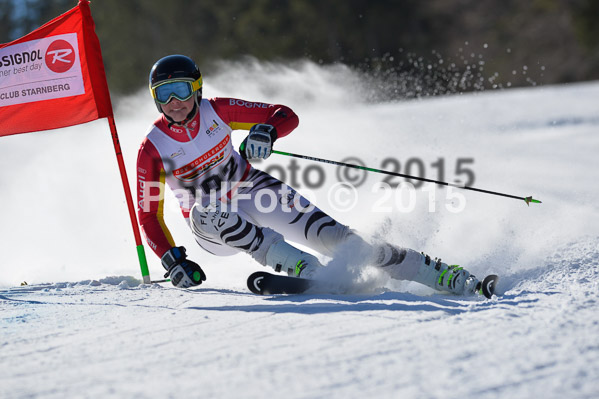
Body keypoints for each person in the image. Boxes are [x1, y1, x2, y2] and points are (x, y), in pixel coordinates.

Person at [136, 54, 482, 295]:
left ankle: (436, 273)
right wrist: (172, 259)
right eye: (163, 95)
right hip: (212, 229)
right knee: (210, 208)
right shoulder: (153, 148)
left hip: (253, 190)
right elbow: (148, 214)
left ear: (196, 89)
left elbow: (283, 113)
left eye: (180, 90)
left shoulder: (218, 111)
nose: (174, 102)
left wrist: (266, 131)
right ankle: (305, 269)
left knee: (340, 239)